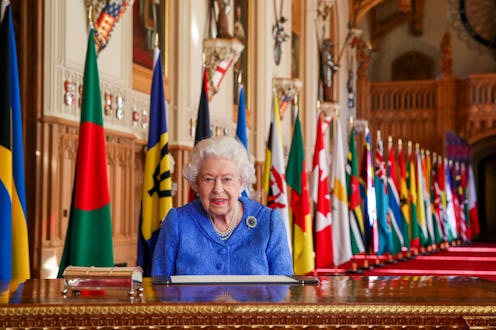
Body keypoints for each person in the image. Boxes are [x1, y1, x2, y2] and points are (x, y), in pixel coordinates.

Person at [151, 136, 294, 276]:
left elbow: (284, 290)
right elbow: (159, 288)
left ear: (241, 183)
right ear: (196, 183)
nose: (217, 189)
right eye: (208, 179)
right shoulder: (177, 222)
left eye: (227, 179)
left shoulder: (268, 222)